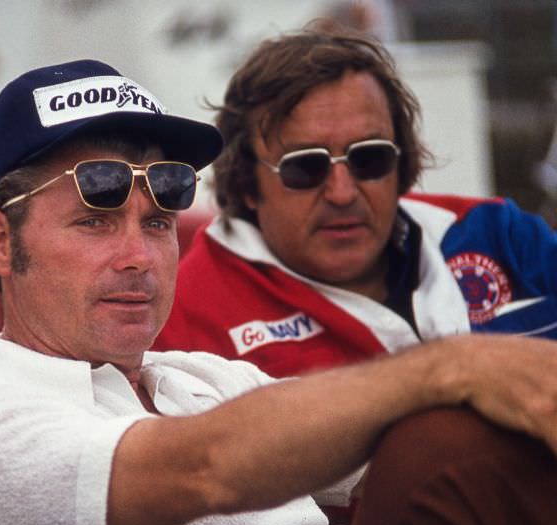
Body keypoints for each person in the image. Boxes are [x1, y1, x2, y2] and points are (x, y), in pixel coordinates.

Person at [0, 58, 557, 525]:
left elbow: (368, 452)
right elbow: (207, 470)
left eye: (158, 222)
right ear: (0, 244)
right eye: (94, 219)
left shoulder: (196, 378)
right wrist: (450, 367)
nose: (139, 257)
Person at [154, 30, 557, 376]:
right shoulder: (182, 323)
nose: (342, 192)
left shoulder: (498, 235)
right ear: (246, 183)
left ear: (402, 162)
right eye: (305, 168)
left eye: (370, 158)